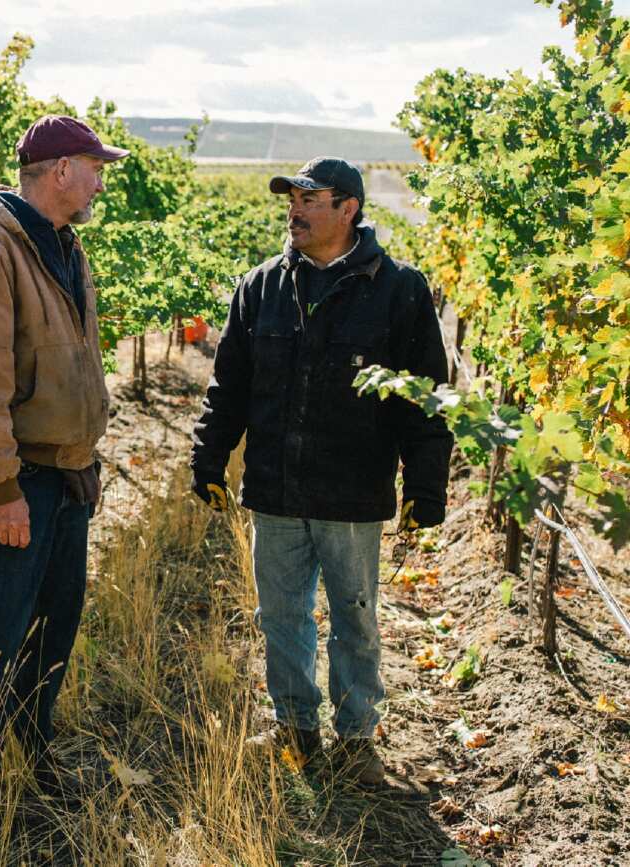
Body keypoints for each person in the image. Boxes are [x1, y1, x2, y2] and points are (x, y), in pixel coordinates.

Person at [190, 157, 453, 786]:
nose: (295, 210)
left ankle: (358, 737)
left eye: (310, 199)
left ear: (349, 209)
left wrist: (424, 485)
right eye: (291, 199)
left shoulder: (400, 290)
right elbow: (229, 384)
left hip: (353, 491)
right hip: (276, 488)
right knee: (280, 616)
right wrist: (208, 455)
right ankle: (295, 727)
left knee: (355, 618)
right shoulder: (261, 287)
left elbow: (425, 396)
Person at [0, 115, 128, 793]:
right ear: (61, 170)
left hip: (66, 474)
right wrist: (0, 486)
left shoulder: (62, 244)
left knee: (52, 630)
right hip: (22, 481)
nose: (101, 182)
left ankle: (26, 757)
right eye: (95, 167)